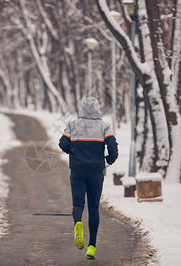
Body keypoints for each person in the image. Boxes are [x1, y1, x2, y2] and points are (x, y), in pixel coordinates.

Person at [59, 97, 118, 260]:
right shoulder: (104, 126)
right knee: (93, 208)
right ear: (98, 109)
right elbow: (113, 146)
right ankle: (91, 247)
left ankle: (78, 223)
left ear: (82, 109)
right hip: (96, 172)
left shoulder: (72, 124)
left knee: (78, 204)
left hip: (77, 170)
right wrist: (109, 159)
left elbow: (62, 143)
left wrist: (74, 153)